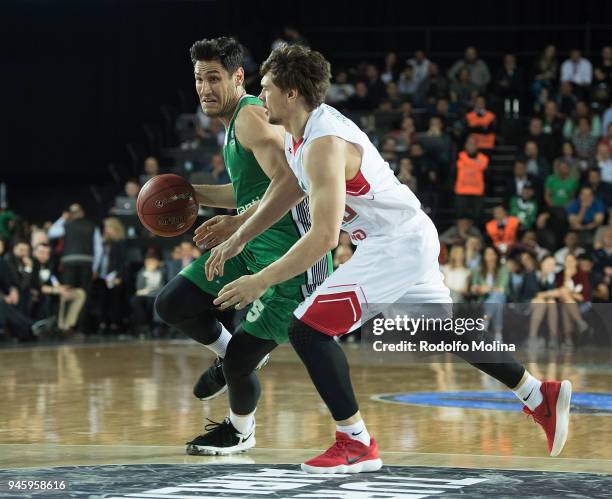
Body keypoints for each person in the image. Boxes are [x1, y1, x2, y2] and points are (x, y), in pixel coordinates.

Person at [205, 44, 573, 473]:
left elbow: (324, 238)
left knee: (307, 328)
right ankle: (537, 395)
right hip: (404, 237)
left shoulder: (323, 144)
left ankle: (355, 442)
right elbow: (285, 193)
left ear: (290, 94)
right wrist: (236, 234)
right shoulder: (298, 134)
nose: (259, 95)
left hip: (394, 243)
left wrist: (261, 280)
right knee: (443, 333)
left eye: (266, 88)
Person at [152, 37, 330, 456]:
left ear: (237, 78)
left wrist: (236, 225)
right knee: (173, 304)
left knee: (238, 366)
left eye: (214, 78)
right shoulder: (236, 123)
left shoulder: (250, 117)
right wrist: (192, 195)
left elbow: (291, 183)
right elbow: (253, 188)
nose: (204, 88)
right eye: (198, 79)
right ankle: (232, 351)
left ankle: (240, 430)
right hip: (251, 248)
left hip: (291, 262)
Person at [454, 135, 489, 222]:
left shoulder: (484, 159)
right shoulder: (458, 158)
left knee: (477, 218)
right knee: (460, 218)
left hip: (477, 193)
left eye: (473, 144)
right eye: (469, 143)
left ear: (477, 146)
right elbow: (453, 174)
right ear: (465, 145)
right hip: (461, 192)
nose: (471, 146)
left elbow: (488, 176)